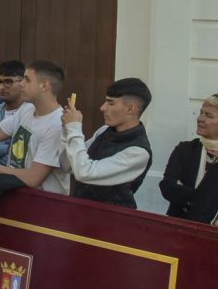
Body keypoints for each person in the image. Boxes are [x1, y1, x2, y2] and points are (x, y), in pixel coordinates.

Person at [0, 60, 67, 213]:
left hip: (44, 208)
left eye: (27, 80)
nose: (21, 84)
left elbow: (34, 178)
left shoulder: (57, 124)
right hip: (17, 198)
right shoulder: (27, 109)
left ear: (45, 86)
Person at [59, 78, 154, 208]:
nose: (102, 108)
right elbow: (68, 166)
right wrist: (66, 130)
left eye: (110, 103)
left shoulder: (138, 152)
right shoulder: (104, 131)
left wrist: (74, 128)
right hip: (81, 213)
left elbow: (84, 172)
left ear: (131, 109)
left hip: (112, 221)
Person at [161, 93, 218, 217]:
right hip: (181, 221)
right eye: (201, 112)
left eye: (208, 116)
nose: (200, 118)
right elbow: (167, 186)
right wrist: (205, 199)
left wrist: (188, 193)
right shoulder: (186, 149)